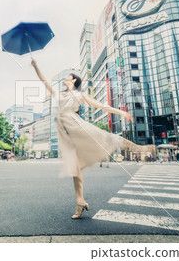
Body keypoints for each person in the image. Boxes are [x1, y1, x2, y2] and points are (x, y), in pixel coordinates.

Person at [31, 58, 152, 219]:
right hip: (65, 131)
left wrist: (121, 112)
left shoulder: (79, 95)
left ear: (73, 80)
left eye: (68, 76)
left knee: (105, 137)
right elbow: (44, 82)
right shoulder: (60, 94)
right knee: (75, 168)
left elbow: (101, 106)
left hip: (75, 125)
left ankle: (137, 148)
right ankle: (80, 203)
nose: (66, 78)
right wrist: (35, 66)